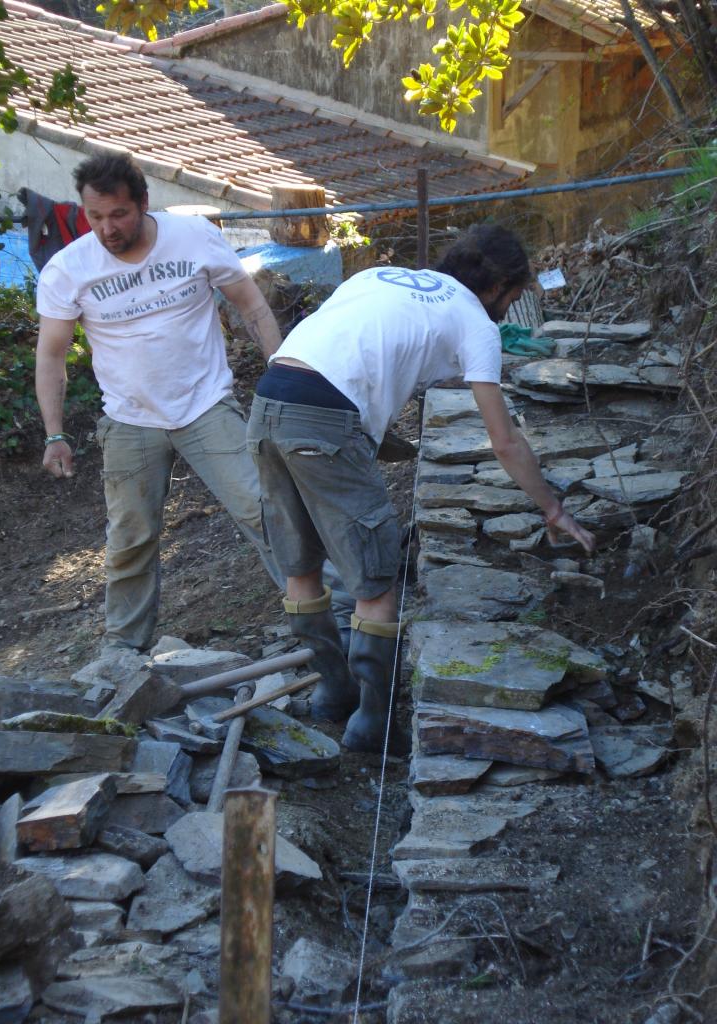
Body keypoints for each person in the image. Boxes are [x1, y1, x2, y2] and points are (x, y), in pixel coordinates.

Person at [246, 223, 596, 756]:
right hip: (325, 419)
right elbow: (503, 441)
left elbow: (351, 354)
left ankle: (331, 695)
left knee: (302, 568)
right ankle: (374, 726)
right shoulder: (475, 321)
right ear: (500, 285)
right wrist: (552, 507)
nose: (514, 304)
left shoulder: (382, 277)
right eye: (517, 293)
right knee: (377, 580)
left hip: (268, 403)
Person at [35, 153, 291, 652]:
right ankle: (122, 653)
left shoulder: (192, 236)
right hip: (129, 419)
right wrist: (54, 433)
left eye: (119, 215)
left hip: (205, 405)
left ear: (143, 203)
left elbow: (252, 306)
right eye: (96, 217)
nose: (108, 228)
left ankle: (320, 611)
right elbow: (51, 356)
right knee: (129, 540)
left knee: (262, 508)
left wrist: (280, 375)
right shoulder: (69, 269)